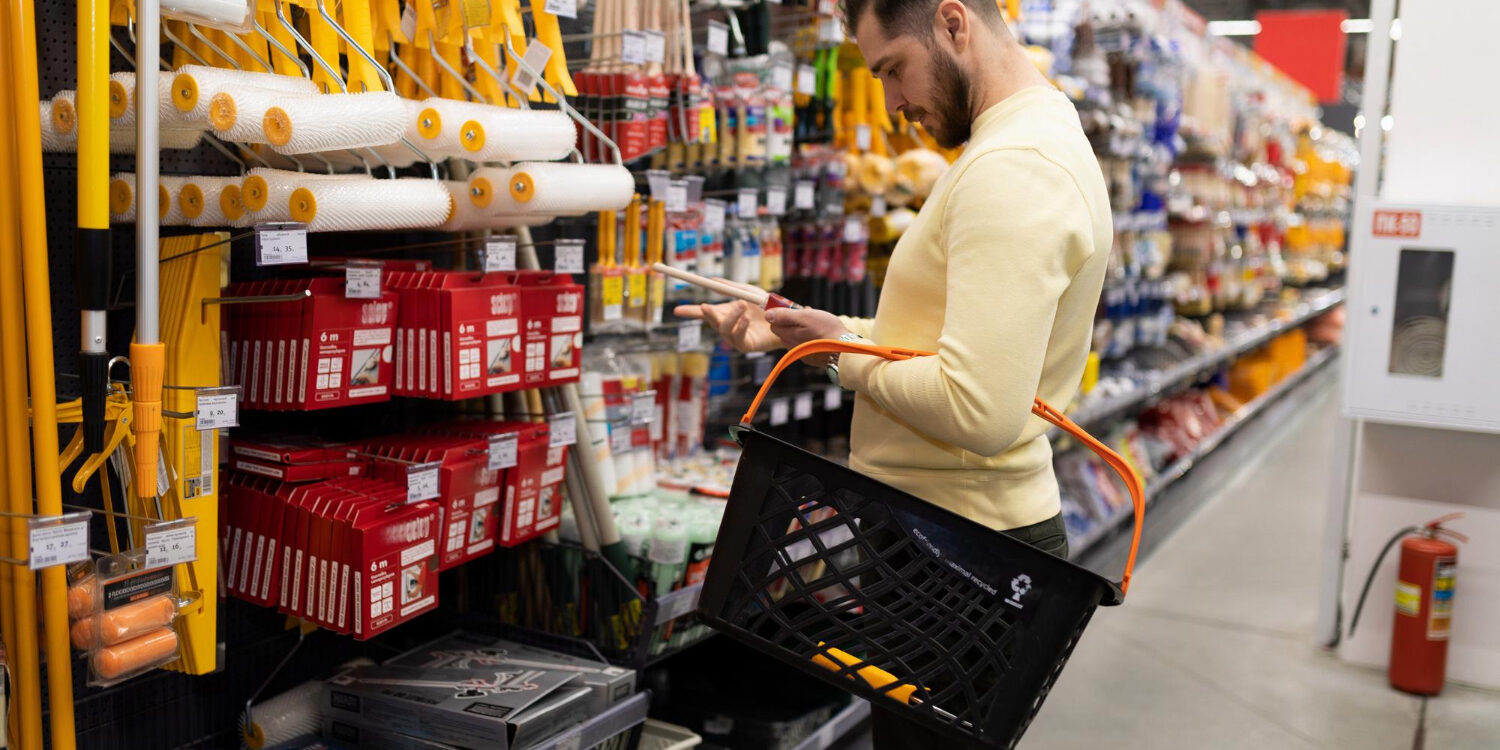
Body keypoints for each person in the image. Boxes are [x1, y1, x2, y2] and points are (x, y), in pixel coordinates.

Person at [676, 0, 1111, 744]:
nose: (892, 102)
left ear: (952, 23)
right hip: (949, 540)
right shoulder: (1020, 145)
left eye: (892, 70)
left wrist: (840, 357)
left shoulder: (1012, 172)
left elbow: (980, 409)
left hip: (963, 556)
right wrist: (811, 335)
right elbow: (937, 346)